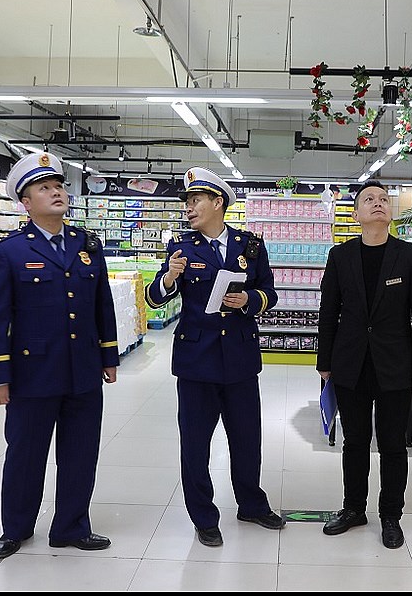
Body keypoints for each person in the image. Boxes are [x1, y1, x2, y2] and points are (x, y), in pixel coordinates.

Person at [0, 151, 120, 560]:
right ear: (25, 202)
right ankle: (16, 528)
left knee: (81, 454)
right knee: (25, 454)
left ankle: (71, 526)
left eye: (58, 186)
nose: (56, 192)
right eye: (44, 188)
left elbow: (102, 304)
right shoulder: (8, 251)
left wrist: (108, 355)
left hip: (83, 370)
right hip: (32, 373)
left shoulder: (86, 245)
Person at [145, 166, 284, 548]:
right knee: (195, 444)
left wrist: (249, 299)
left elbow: (269, 292)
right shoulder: (181, 247)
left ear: (217, 202)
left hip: (240, 357)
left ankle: (251, 505)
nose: (189, 208)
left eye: (196, 200)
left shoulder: (249, 246)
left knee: (247, 438)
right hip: (196, 361)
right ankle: (204, 517)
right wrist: (169, 277)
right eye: (187, 202)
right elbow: (154, 298)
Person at [316, 180, 412, 549]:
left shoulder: (411, 257)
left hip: (395, 365)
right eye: (369, 199)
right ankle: (353, 508)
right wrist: (324, 362)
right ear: (356, 214)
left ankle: (390, 515)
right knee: (354, 441)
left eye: (384, 199)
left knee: (393, 444)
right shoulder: (340, 256)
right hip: (350, 363)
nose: (378, 203)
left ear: (390, 212)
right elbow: (328, 312)